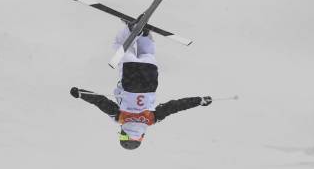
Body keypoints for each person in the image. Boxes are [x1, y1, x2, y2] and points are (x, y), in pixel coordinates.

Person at [70, 24, 212, 150]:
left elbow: (174, 106)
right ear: (126, 136)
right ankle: (131, 29)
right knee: (121, 47)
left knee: (147, 54)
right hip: (130, 79)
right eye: (122, 136)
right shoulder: (120, 118)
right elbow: (100, 101)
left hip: (150, 79)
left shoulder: (152, 119)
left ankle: (144, 35)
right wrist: (81, 94)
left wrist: (198, 101)